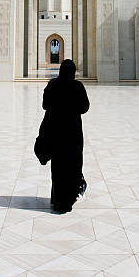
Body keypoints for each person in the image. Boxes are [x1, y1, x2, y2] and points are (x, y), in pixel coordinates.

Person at [42, 59, 90, 213]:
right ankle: (68, 200)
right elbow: (84, 108)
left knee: (58, 167)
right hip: (73, 133)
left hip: (56, 132)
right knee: (73, 165)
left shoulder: (53, 84)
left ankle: (57, 200)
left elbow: (45, 105)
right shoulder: (77, 86)